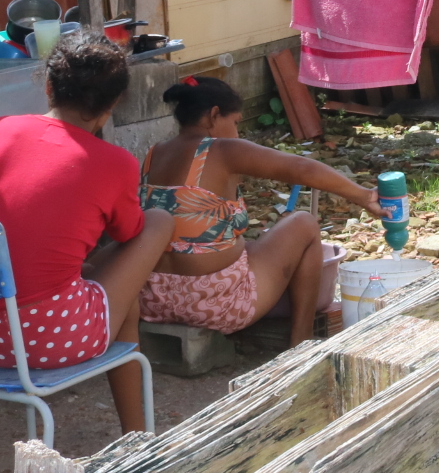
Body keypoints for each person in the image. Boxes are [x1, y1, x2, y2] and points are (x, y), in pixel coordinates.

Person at [0, 32, 173, 433]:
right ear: (113, 103)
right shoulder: (115, 162)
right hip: (53, 337)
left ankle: (136, 436)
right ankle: (137, 437)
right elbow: (130, 233)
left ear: (49, 86)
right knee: (158, 222)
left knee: (117, 299)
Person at [139, 76, 386, 345]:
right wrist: (364, 196)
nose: (237, 132)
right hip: (214, 305)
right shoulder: (221, 149)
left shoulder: (155, 154)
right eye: (235, 123)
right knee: (304, 223)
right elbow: (303, 169)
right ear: (213, 116)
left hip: (152, 300)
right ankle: (301, 341)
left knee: (253, 243)